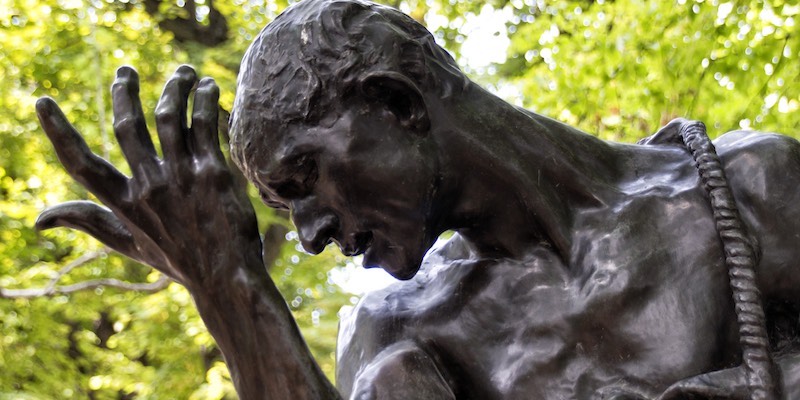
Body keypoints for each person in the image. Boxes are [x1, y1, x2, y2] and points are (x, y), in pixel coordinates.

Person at [35, 0, 800, 398]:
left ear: (396, 104)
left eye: (304, 181)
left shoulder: (746, 187)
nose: (307, 235)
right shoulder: (402, 338)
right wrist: (230, 291)